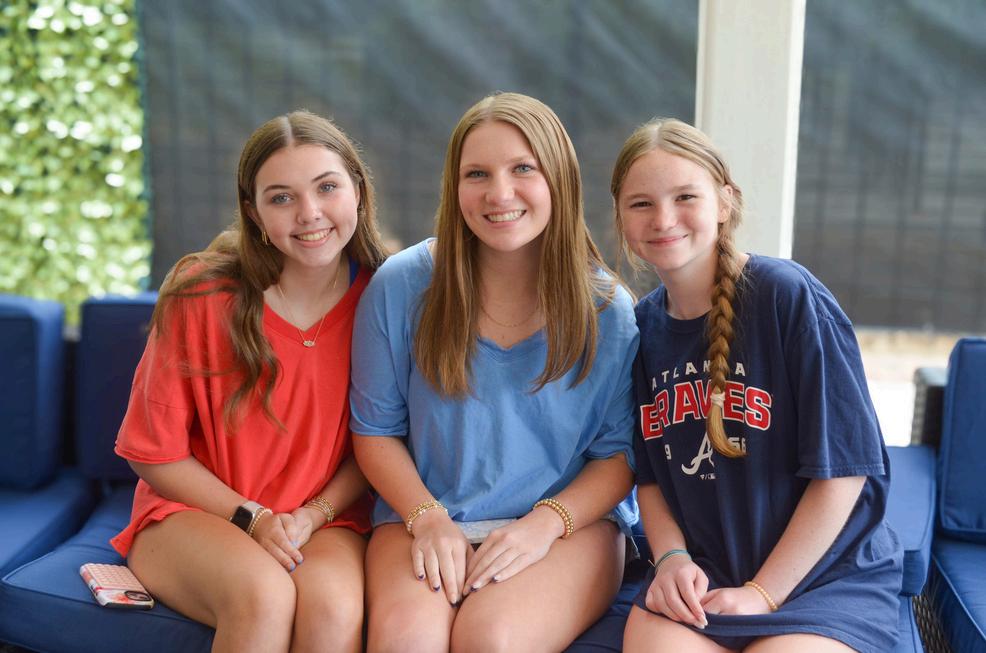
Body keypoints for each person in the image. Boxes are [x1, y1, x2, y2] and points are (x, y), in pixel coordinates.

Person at [350, 92, 639, 652]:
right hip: (424, 515)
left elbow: (619, 457)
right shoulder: (400, 286)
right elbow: (375, 432)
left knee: (492, 640)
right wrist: (428, 519)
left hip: (564, 527)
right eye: (476, 173)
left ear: (559, 178)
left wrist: (542, 525)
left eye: (523, 169)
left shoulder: (608, 309)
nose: (499, 193)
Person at [613, 118, 903, 653]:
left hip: (822, 578)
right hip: (708, 576)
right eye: (641, 204)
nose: (664, 219)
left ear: (725, 201)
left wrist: (763, 593)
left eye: (685, 196)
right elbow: (649, 477)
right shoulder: (640, 329)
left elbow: (845, 473)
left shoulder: (785, 296)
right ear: (621, 217)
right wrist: (671, 559)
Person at [110, 110, 389, 653]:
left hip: (323, 519)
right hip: (194, 515)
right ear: (253, 212)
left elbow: (379, 440)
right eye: (281, 197)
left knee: (334, 611)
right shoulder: (200, 291)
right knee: (263, 597)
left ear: (357, 190)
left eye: (327, 187)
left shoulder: (386, 295)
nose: (309, 213)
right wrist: (253, 518)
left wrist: (312, 515)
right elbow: (153, 453)